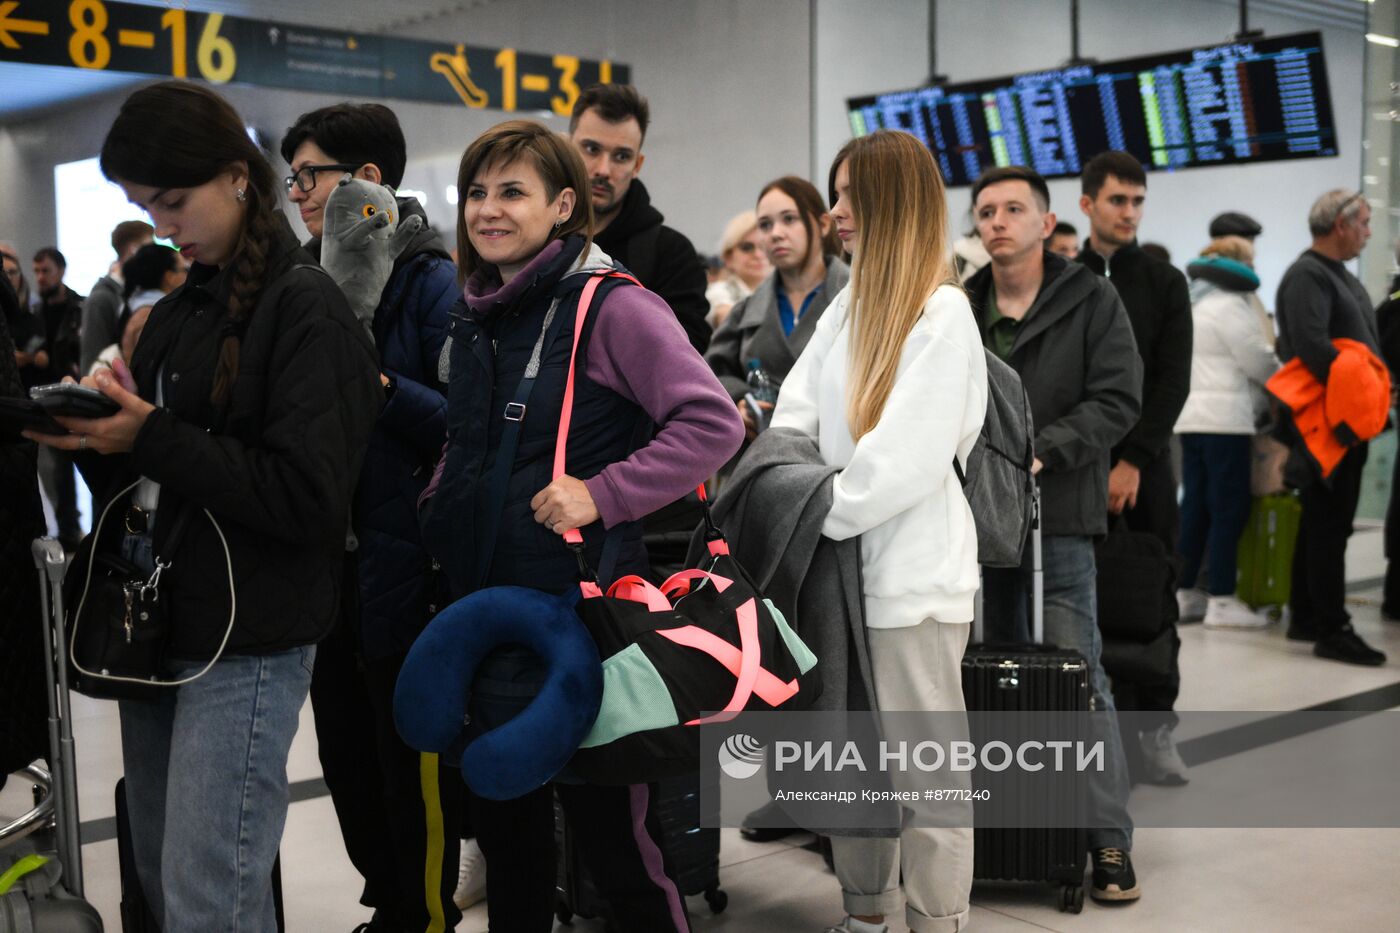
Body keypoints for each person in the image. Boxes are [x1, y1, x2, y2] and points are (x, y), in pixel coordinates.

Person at [23, 81, 381, 930]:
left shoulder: (306, 308)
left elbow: (305, 498)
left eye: (172, 202)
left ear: (236, 177)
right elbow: (166, 475)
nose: (162, 224)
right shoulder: (185, 310)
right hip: (163, 626)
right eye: (146, 207)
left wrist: (147, 436)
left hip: (250, 637)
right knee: (164, 874)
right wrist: (101, 431)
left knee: (206, 896)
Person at [418, 119, 742, 933]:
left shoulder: (613, 306)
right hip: (485, 609)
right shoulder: (478, 309)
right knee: (512, 840)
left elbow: (711, 424)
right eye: (477, 194)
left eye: (512, 192)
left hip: (581, 615)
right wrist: (440, 497)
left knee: (617, 848)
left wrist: (604, 493)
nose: (488, 211)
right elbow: (468, 436)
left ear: (563, 204)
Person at [779, 129, 989, 933]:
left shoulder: (943, 315)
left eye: (847, 197)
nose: (834, 215)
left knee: (929, 775)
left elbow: (902, 461)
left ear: (890, 203)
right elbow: (792, 418)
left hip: (909, 581)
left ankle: (938, 919)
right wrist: (810, 490)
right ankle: (868, 913)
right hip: (838, 573)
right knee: (853, 762)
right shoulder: (848, 305)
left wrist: (809, 505)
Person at [280, 100, 465, 930]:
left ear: (367, 180)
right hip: (330, 560)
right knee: (344, 755)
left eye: (311, 175)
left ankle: (424, 912)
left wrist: (377, 385)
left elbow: (461, 420)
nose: (297, 193)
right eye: (291, 178)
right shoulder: (303, 284)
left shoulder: (429, 279)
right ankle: (388, 901)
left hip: (405, 556)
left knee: (406, 758)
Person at [966, 165, 1144, 904]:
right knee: (993, 675)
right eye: (985, 211)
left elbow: (1120, 396)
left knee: (1075, 675)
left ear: (1046, 221)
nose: (998, 221)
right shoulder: (959, 305)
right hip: (977, 520)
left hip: (1060, 515)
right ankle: (1009, 829)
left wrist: (1045, 445)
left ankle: (1106, 836)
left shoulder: (1091, 298)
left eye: (1014, 208)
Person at [1076, 150, 1193, 784]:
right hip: (1077, 471)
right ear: (1087, 204)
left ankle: (1153, 731)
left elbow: (1171, 382)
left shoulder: (1164, 283)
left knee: (1151, 599)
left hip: (1144, 472)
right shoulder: (1066, 278)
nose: (1129, 212)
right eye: (1117, 200)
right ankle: (1094, 732)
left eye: (1137, 201)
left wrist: (1133, 461)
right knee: (1085, 601)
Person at [1275, 190, 1387, 665]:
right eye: (1363, 222)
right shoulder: (1308, 276)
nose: (1368, 232)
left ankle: (1305, 614)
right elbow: (1313, 349)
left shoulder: (1336, 275)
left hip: (1346, 418)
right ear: (1339, 225)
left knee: (1323, 522)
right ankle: (1332, 628)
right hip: (1329, 423)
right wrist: (1369, 386)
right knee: (1329, 525)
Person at [1175, 237, 1279, 629]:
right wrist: (1283, 375)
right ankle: (1221, 596)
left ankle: (1186, 593)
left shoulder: (1193, 300)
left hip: (1192, 418)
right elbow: (1257, 360)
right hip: (1225, 421)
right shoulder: (1230, 305)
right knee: (1228, 508)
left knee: (1196, 508)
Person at [568, 83, 710, 352]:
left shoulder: (672, 256)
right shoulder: (535, 241)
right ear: (566, 148)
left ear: (637, 165)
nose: (603, 169)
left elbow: (683, 356)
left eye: (621, 156)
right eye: (591, 149)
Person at [707, 176, 848, 442]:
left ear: (822, 224)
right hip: (761, 458)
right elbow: (713, 372)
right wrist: (739, 402)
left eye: (789, 219)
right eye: (765, 225)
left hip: (834, 457)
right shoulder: (746, 311)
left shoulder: (857, 297)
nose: (775, 233)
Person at [30, 246, 85, 551]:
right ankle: (66, 530)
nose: (39, 277)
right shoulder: (34, 312)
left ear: (61, 270)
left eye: (45, 270)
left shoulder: (79, 308)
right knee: (53, 469)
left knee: (69, 463)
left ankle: (73, 530)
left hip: (69, 394)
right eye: (36, 271)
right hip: (40, 397)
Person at [87, 243, 186, 376]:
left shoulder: (138, 306)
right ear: (169, 277)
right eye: (184, 269)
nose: (187, 275)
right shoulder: (153, 314)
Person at [80, 220, 154, 373]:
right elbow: (91, 362)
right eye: (150, 247)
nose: (154, 255)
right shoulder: (100, 299)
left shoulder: (135, 293)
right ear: (134, 250)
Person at [705, 209, 770, 328]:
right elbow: (726, 317)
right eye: (747, 247)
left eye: (764, 246)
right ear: (728, 257)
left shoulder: (783, 292)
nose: (758, 255)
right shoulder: (718, 292)